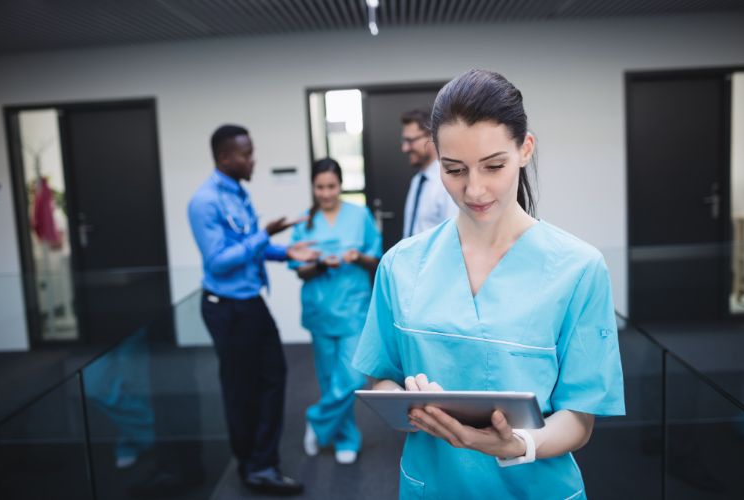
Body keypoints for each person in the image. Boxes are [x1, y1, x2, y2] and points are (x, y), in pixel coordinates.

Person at [353, 70, 625, 499]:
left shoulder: (579, 269)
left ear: (525, 150)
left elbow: (579, 417)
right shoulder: (400, 266)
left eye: (493, 166)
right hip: (433, 485)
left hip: (537, 487)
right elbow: (380, 380)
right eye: (454, 169)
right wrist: (411, 402)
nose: (474, 189)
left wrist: (520, 444)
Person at [188, 124, 317, 496]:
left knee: (273, 377)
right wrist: (267, 233)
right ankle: (253, 466)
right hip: (226, 308)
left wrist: (286, 251)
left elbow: (248, 247)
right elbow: (219, 262)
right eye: (246, 153)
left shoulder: (237, 193)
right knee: (242, 389)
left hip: (249, 303)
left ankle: (261, 461)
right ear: (225, 157)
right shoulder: (205, 201)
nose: (252, 159)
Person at [289, 158, 382, 465]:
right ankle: (345, 438)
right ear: (313, 187)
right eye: (320, 187)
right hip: (320, 310)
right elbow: (299, 270)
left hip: (353, 310)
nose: (326, 193)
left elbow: (376, 259)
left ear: (340, 185)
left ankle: (316, 419)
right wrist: (318, 264)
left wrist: (357, 257)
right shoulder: (304, 222)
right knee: (330, 380)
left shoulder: (360, 216)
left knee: (353, 377)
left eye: (331, 186)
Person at [400, 108, 458, 237]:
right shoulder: (417, 180)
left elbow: (452, 236)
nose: (405, 148)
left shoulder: (448, 181)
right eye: (404, 141)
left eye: (410, 141)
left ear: (431, 137)